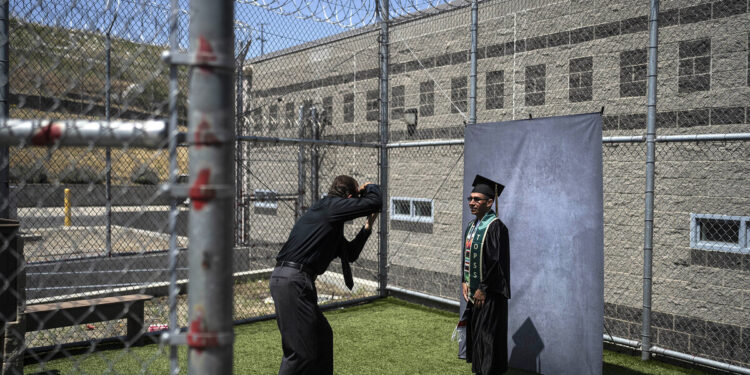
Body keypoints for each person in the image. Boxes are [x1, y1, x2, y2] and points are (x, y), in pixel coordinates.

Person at [269, 175, 381, 375]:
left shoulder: (328, 222)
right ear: (348, 198)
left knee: (322, 336)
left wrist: (367, 226)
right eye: (355, 199)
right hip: (293, 281)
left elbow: (351, 253)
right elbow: (375, 201)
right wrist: (369, 188)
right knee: (300, 353)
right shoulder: (330, 207)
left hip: (291, 280)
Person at [461, 174, 511, 374]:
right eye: (470, 199)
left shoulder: (496, 227)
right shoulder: (472, 226)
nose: (471, 203)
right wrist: (464, 280)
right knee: (478, 338)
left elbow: (496, 262)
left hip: (490, 296)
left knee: (488, 340)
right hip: (474, 295)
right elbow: (467, 256)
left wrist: (482, 288)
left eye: (477, 199)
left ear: (490, 202)